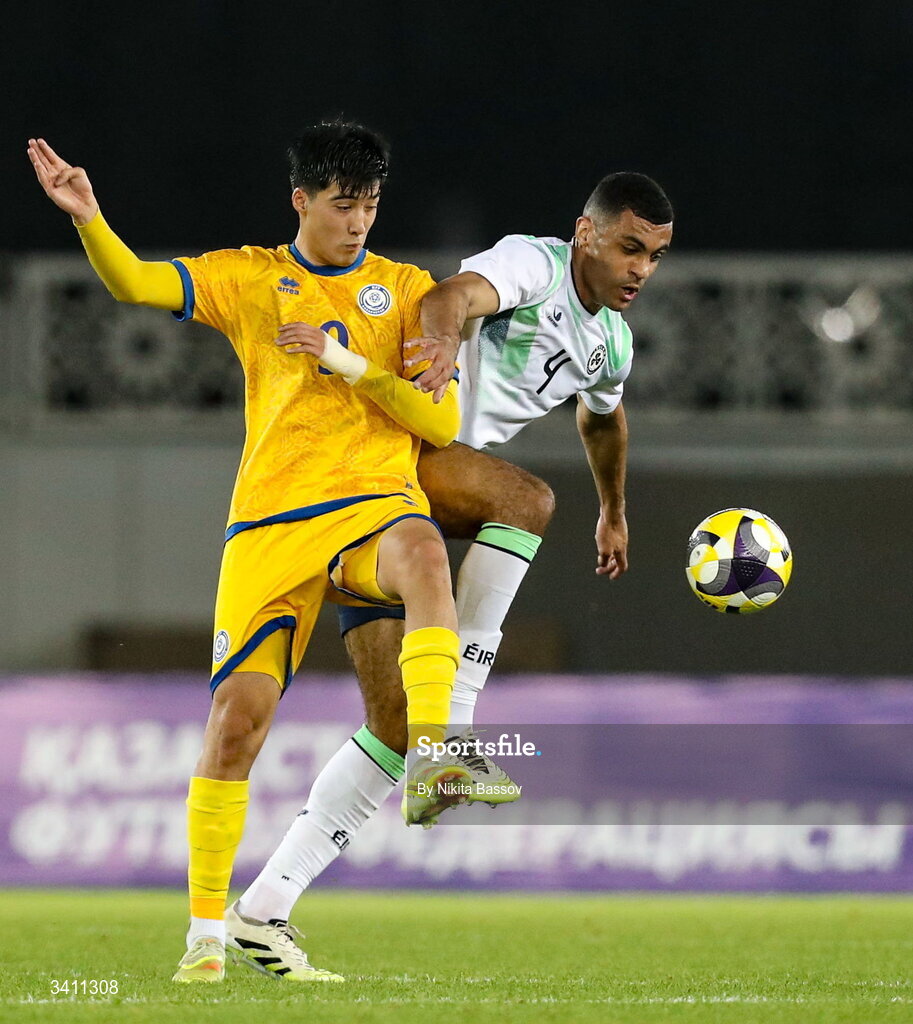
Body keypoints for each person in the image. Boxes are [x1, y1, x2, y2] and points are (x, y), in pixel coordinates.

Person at [27, 123, 475, 986]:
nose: (359, 224)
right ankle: (205, 937)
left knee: (422, 551)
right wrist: (88, 217)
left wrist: (349, 364)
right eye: (344, 205)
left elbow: (441, 425)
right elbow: (136, 283)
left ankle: (439, 754)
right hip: (269, 528)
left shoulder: (407, 290)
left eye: (372, 206)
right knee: (236, 727)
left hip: (371, 507)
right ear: (301, 200)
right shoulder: (250, 278)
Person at [232, 171, 674, 977]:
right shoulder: (532, 266)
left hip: (401, 518)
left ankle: (262, 911)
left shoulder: (610, 340)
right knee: (525, 499)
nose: (640, 269)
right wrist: (436, 343)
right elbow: (451, 297)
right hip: (382, 461)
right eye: (628, 247)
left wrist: (612, 509)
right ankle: (456, 732)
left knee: (394, 729)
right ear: (585, 233)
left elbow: (602, 417)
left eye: (654, 256)